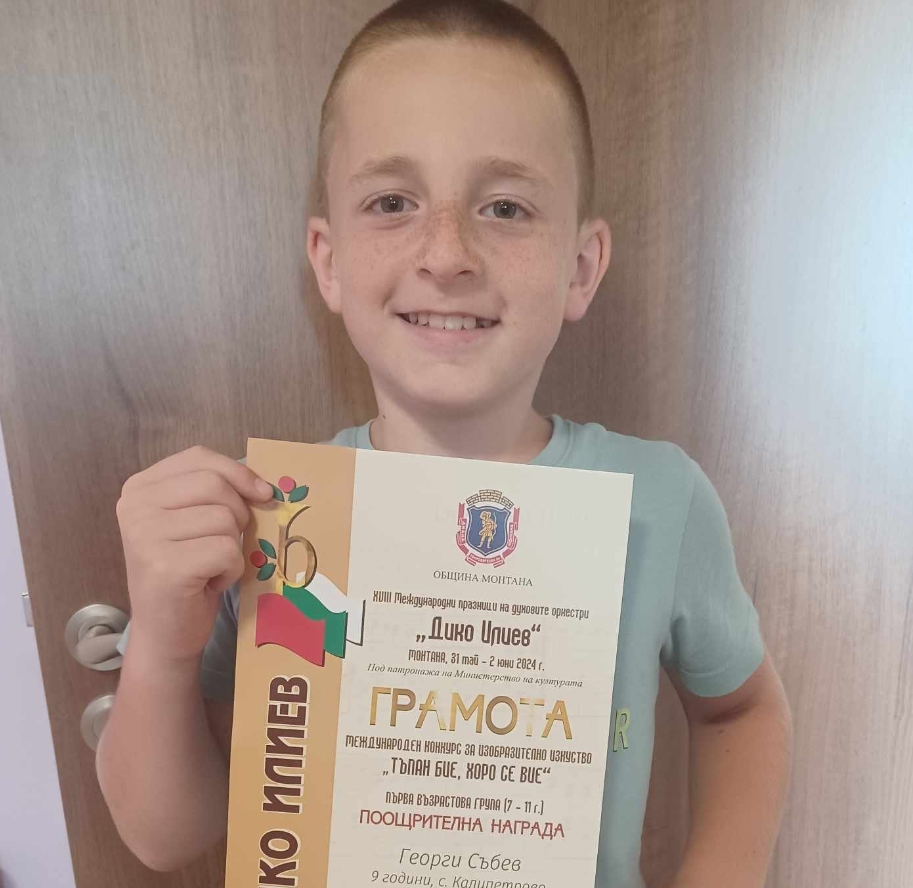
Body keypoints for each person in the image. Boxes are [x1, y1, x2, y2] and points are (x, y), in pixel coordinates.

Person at [97, 1, 793, 885]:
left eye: (505, 206)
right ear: (329, 261)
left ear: (581, 267)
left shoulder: (661, 498)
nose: (447, 253)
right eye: (393, 203)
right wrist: (160, 643)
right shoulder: (270, 524)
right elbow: (167, 835)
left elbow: (741, 711)